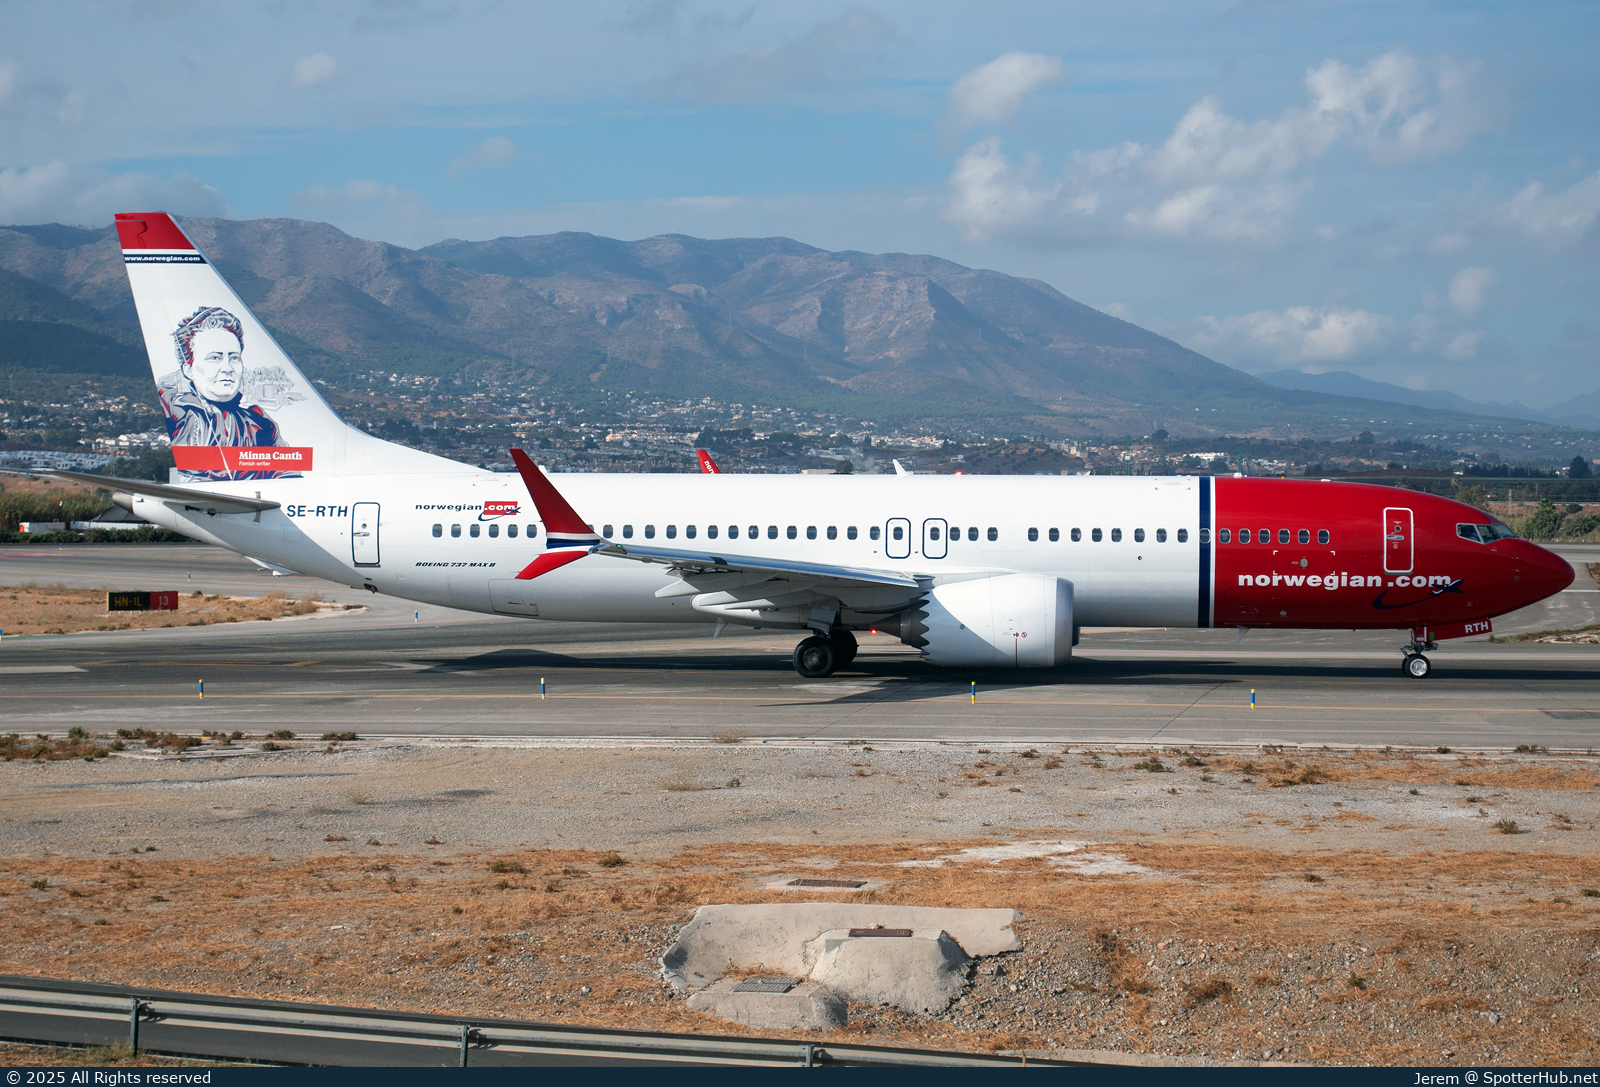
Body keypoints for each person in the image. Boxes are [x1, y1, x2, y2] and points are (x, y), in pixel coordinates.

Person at [156, 306, 294, 480]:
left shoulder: (260, 423)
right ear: (188, 369)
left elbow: (289, 473)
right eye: (215, 358)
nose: (228, 368)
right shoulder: (176, 410)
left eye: (234, 358)